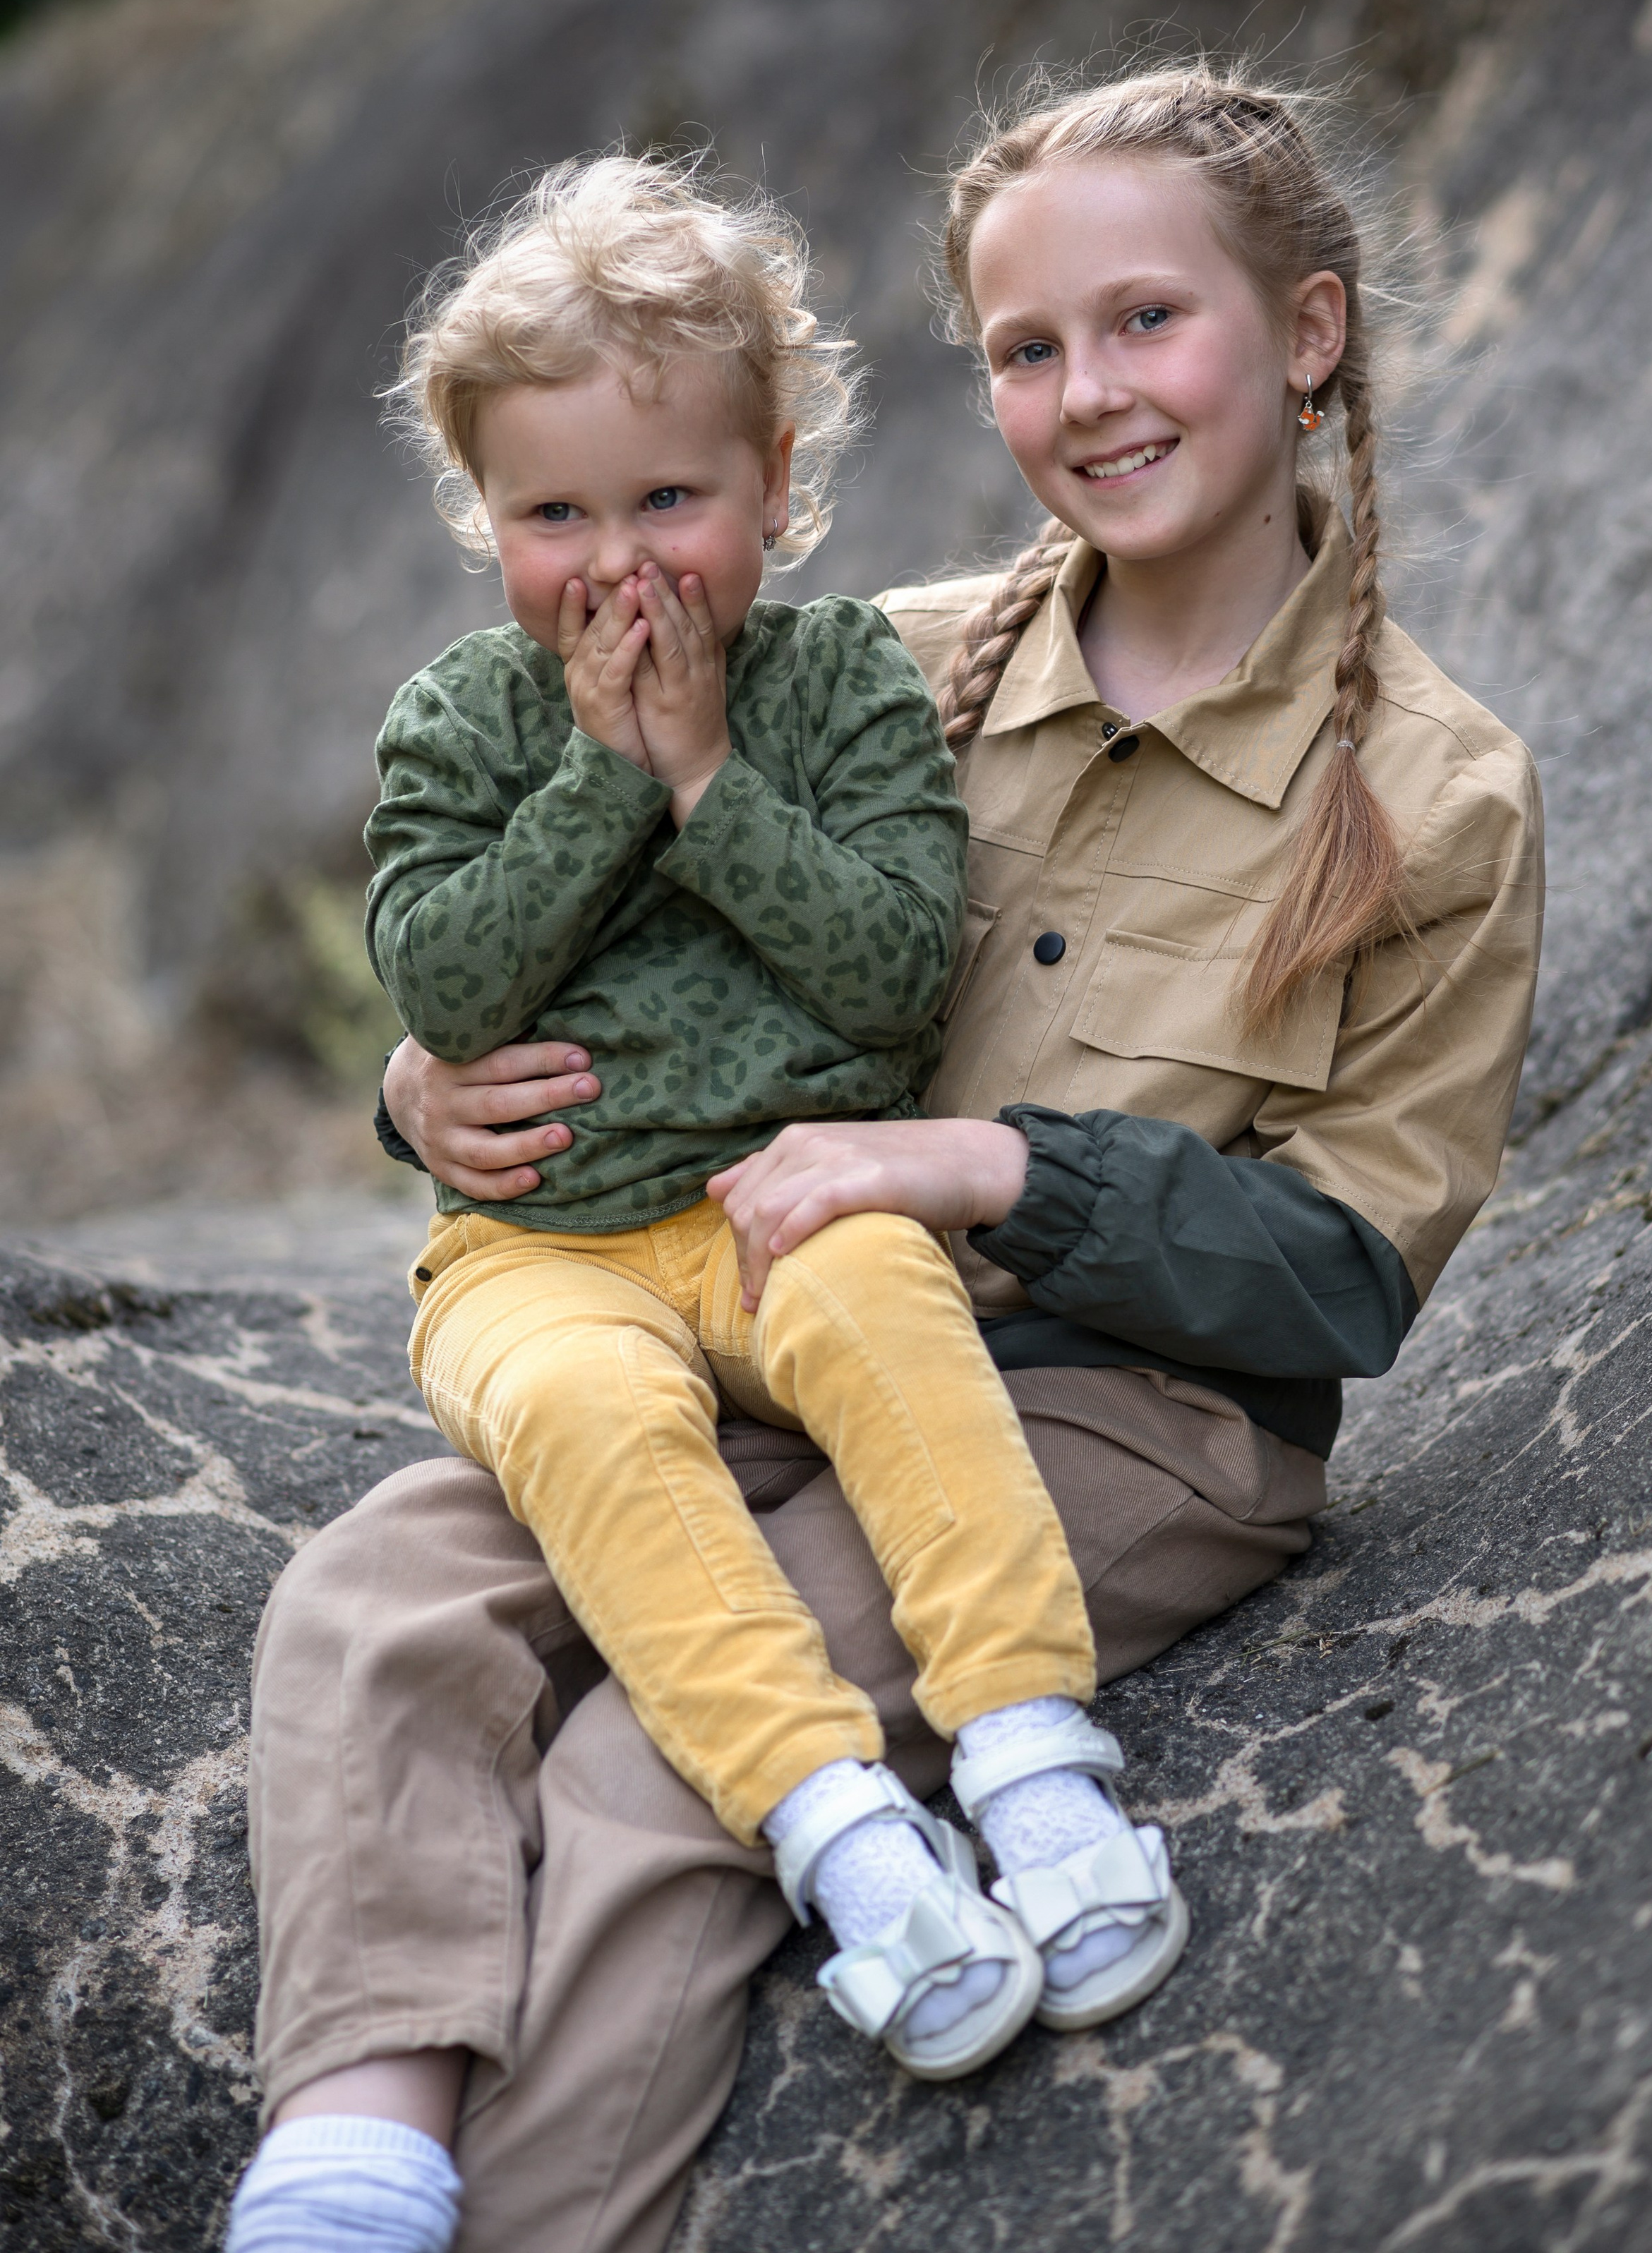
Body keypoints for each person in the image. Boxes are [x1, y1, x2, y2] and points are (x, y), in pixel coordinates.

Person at [230, 64, 1543, 2253]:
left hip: (1119, 1410)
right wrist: (411, 1096)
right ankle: (352, 2164)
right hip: (758, 1318)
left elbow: (1344, 1281)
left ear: (1307, 337)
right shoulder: (892, 667)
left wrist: (986, 1171)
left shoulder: (1435, 791)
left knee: (664, 1754)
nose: (1088, 395)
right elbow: (569, 944)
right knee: (376, 1598)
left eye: (1147, 323)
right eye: (1029, 348)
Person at [354, 151, 1185, 2096]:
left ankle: (1032, 1758)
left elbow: (895, 976)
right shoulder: (461, 725)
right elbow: (450, 991)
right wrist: (599, 784)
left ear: (775, 487)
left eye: (670, 499)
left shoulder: (839, 695)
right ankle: (841, 1829)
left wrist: (711, 773)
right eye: (555, 512)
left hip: (789, 1198)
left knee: (891, 1309)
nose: (618, 560)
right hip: (537, 1252)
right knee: (583, 1418)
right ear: (484, 521)